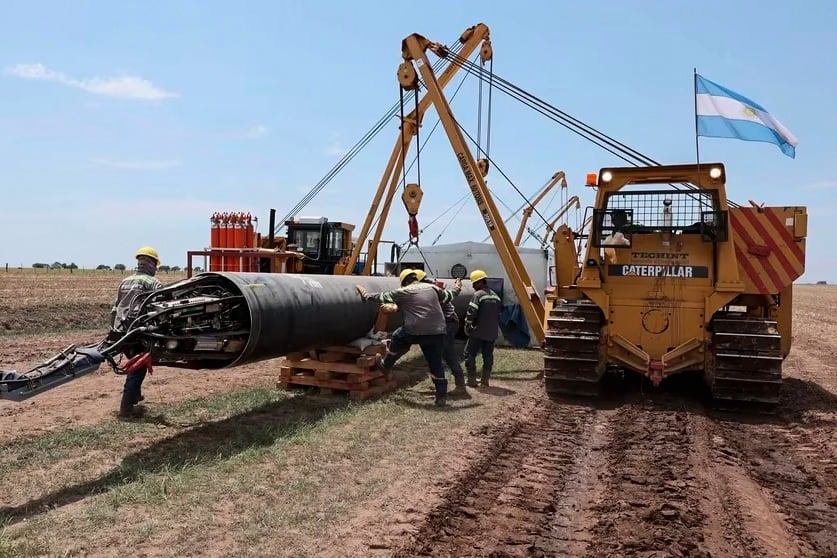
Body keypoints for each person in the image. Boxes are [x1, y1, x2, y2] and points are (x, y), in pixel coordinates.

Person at [356, 268, 461, 407]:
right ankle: (441, 398)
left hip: (415, 329)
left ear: (404, 282)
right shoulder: (433, 288)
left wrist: (366, 294)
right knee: (435, 364)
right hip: (437, 331)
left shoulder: (403, 292)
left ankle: (386, 365)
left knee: (397, 337)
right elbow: (451, 295)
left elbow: (380, 297)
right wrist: (458, 287)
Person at [110, 246, 163, 418]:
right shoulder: (153, 283)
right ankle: (126, 408)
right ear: (152, 264)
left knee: (135, 362)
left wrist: (113, 330)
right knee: (138, 367)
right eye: (155, 265)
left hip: (120, 331)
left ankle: (135, 396)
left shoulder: (124, 281)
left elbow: (115, 308)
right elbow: (161, 308)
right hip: (138, 330)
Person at [415, 270, 468, 397]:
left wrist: (457, 287)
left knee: (448, 352)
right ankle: (438, 383)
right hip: (440, 323)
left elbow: (450, 294)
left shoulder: (431, 290)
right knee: (435, 353)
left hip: (448, 322)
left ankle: (460, 386)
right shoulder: (426, 288)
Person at [462, 270, 501, 388]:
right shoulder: (496, 296)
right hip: (492, 332)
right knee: (488, 356)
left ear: (479, 282)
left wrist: (467, 326)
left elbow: (471, 312)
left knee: (469, 354)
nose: (473, 286)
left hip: (478, 331)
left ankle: (472, 381)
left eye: (474, 283)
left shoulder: (478, 295)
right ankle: (485, 381)